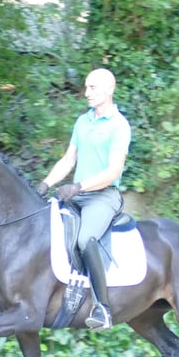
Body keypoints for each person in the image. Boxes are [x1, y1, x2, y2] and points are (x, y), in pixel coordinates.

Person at [37, 68, 131, 330]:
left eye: (92, 88)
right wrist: (45, 184)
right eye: (86, 87)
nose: (86, 93)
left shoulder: (119, 125)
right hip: (76, 195)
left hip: (102, 197)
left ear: (109, 90)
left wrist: (78, 186)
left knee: (83, 240)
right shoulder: (83, 121)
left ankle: (103, 308)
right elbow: (69, 160)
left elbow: (113, 172)